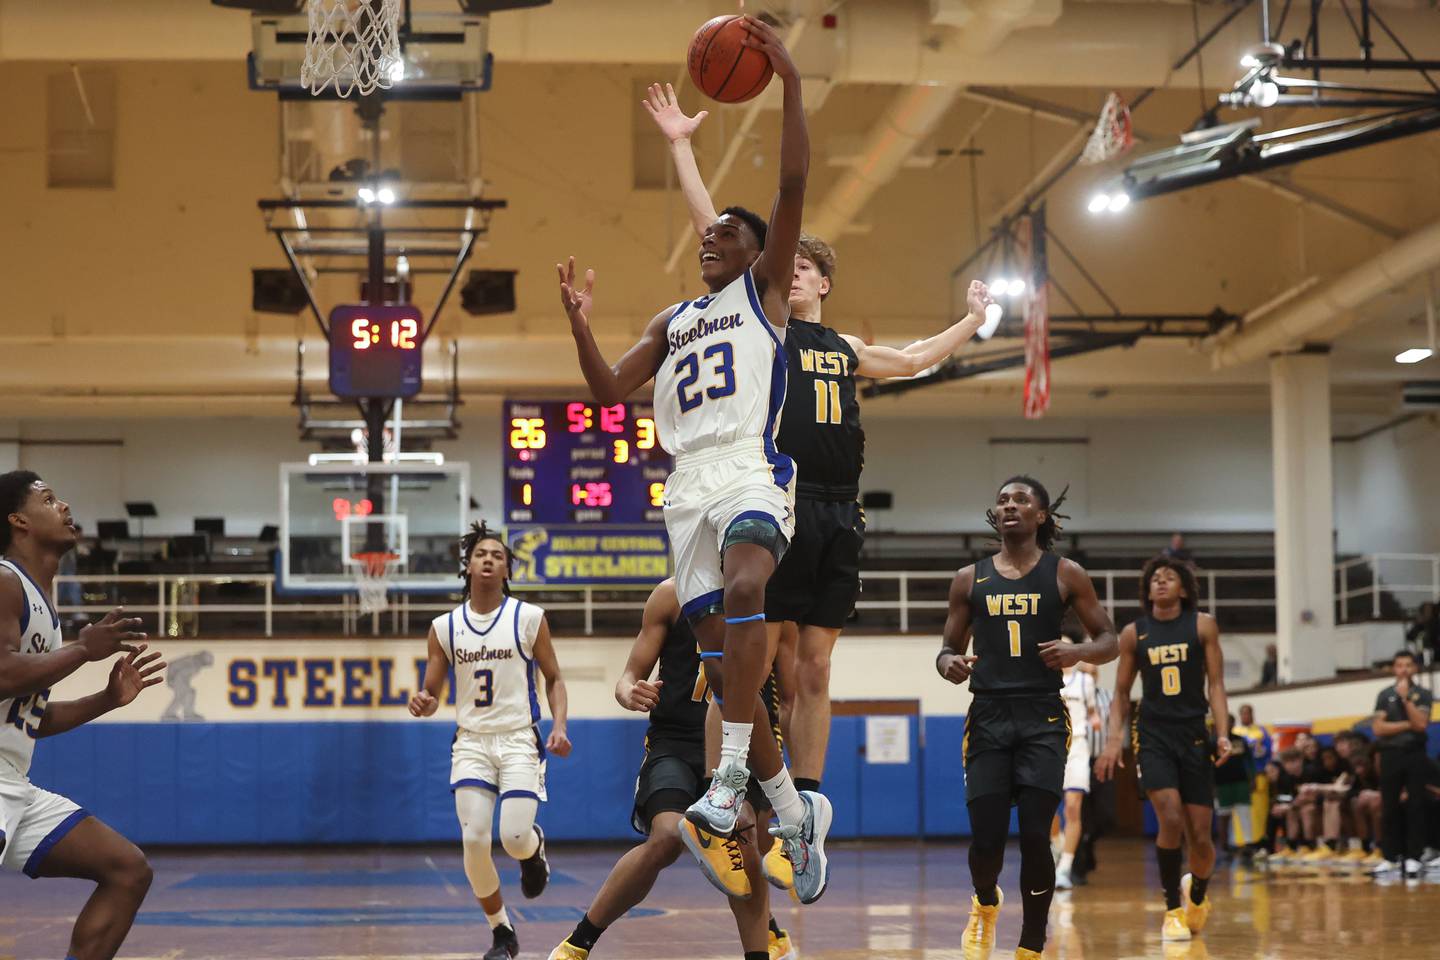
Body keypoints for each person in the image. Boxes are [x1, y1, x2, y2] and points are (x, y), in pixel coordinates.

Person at [643, 80, 994, 805]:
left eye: (804, 265)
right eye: (785, 262)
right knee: (750, 659)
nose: (790, 270)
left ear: (825, 281)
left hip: (840, 509)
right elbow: (714, 223)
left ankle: (806, 800)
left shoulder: (844, 344)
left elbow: (917, 355)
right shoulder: (753, 319)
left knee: (815, 670)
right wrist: (682, 148)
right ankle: (728, 788)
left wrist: (973, 323)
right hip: (773, 496)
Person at [558, 18, 832, 904]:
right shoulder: (672, 321)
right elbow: (606, 393)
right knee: (722, 666)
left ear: (760, 255)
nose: (709, 234)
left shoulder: (763, 298)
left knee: (751, 591)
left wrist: (788, 79)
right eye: (705, 230)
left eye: (726, 229)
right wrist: (578, 324)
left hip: (749, 466)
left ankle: (732, 782)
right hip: (686, 489)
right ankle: (789, 805)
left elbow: (792, 179)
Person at [935, 476, 1118, 959]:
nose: (1009, 505)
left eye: (1020, 500)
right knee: (987, 839)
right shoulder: (968, 578)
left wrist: (1076, 650)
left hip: (1043, 716)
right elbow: (947, 649)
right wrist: (948, 663)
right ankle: (985, 903)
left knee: (1037, 833)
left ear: (1041, 516)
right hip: (989, 714)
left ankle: (1031, 945)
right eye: (1001, 500)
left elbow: (1109, 640)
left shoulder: (1067, 573)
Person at [0, 470, 166, 960]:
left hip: (13, 781)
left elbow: (32, 718)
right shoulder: (4, 582)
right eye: (48, 499)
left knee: (126, 869)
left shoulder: (40, 602)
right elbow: (3, 674)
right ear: (18, 521)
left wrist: (106, 700)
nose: (64, 506)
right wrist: (82, 650)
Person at [409, 522, 571, 960]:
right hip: (472, 744)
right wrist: (423, 701)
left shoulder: (528, 618)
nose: (488, 559)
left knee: (514, 838)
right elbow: (432, 690)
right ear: (467, 565)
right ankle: (502, 931)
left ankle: (532, 849)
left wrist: (559, 726)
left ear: (507, 569)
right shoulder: (443, 627)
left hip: (519, 738)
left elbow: (554, 678)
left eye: (497, 555)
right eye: (481, 553)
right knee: (475, 839)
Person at [1095, 555, 1230, 943]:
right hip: (1152, 733)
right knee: (1169, 817)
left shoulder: (1202, 625)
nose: (1161, 582)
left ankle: (1197, 896)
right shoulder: (1134, 632)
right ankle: (1171, 909)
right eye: (1155, 578)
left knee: (1201, 836)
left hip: (1193, 733)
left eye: (1170, 577)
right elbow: (1121, 693)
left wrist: (1222, 733)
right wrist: (1113, 740)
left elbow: (1216, 686)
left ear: (1184, 589)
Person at [1368, 649, 1433, 878]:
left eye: (1408, 665)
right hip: (1390, 755)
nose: (1403, 669)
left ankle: (1414, 857)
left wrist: (1405, 700)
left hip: (1414, 754)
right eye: (1399, 665)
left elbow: (1422, 724)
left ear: (1414, 668)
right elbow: (1377, 728)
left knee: (1416, 804)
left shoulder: (1423, 694)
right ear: (1394, 669)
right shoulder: (1384, 694)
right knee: (1389, 806)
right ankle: (1390, 857)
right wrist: (1407, 725)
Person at [1053, 637, 1098, 890]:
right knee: (1046, 808)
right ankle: (1056, 845)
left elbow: (1092, 712)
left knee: (1072, 806)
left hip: (1078, 745)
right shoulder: (1046, 678)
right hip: (1051, 746)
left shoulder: (1086, 682)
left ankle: (1065, 867)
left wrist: (1095, 719)